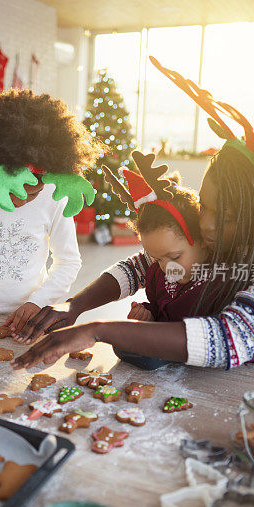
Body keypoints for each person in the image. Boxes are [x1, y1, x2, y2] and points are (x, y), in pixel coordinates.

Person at [11, 58, 254, 376]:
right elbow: (140, 265)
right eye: (206, 207)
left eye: (226, 216)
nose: (207, 224)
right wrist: (75, 306)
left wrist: (96, 331)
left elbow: (234, 338)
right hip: (231, 375)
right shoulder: (222, 233)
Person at [15, 150, 216, 370]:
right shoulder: (165, 261)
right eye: (157, 259)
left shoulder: (224, 276)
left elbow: (213, 337)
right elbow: (132, 269)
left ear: (204, 240)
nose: (166, 268)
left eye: (175, 257)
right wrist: (74, 305)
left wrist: (123, 332)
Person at [0, 88, 99, 332]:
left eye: (32, 194)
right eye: (11, 193)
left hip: (31, 313)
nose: (21, 201)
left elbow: (68, 261)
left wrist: (39, 302)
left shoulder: (54, 197)